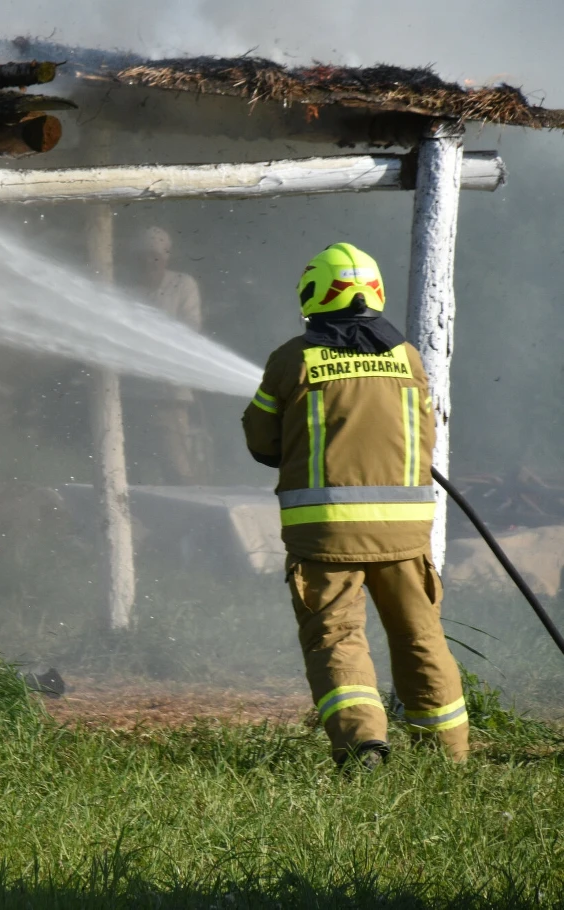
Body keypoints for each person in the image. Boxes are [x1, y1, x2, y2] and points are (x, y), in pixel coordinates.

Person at [241, 243, 468, 768]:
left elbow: (262, 443)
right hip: (405, 534)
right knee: (421, 637)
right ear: (375, 293)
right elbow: (427, 432)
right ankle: (450, 757)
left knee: (337, 637)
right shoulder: (407, 356)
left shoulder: (293, 359)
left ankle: (363, 744)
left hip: (326, 535)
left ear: (314, 293)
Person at [122, 226, 207, 484]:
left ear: (166, 257)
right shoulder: (127, 290)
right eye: (143, 256)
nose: (149, 262)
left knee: (177, 464)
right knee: (131, 467)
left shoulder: (182, 284)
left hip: (170, 393)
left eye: (154, 256)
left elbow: (191, 327)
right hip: (133, 392)